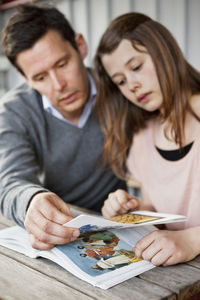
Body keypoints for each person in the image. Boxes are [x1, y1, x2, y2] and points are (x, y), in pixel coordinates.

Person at [0, 4, 126, 250]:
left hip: (117, 224)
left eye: (62, 64)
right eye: (40, 77)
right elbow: (9, 183)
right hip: (59, 233)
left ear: (80, 46)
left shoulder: (120, 86)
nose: (59, 85)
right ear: (25, 79)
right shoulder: (13, 111)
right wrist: (31, 201)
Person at [94, 12, 200, 267]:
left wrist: (193, 240)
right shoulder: (140, 140)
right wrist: (134, 208)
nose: (132, 85)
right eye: (120, 81)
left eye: (136, 67)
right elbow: (164, 212)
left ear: (164, 51)